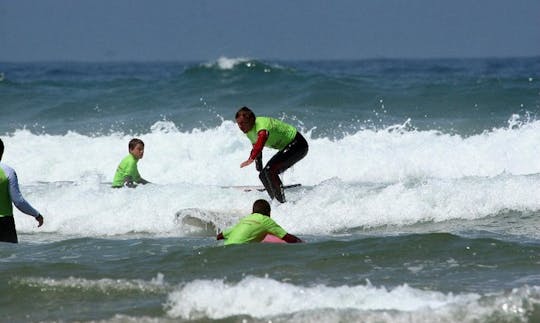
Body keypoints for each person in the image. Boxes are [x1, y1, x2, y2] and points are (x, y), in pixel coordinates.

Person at [236, 106, 308, 203]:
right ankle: (275, 201)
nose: (240, 127)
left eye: (242, 123)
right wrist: (259, 164)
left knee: (270, 171)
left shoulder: (262, 126)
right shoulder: (249, 132)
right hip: (288, 147)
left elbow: (261, 141)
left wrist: (251, 158)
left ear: (251, 120)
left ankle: (282, 203)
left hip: (298, 144)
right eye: (238, 124)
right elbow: (256, 146)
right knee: (263, 175)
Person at [0, 138, 44, 243]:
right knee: (7, 257)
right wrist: (36, 215)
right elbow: (18, 201)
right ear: (1, 152)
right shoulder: (8, 171)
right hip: (4, 223)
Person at [217, 199, 302, 245]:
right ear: (268, 213)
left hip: (227, 247)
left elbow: (220, 236)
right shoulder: (265, 220)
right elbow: (286, 237)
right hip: (240, 251)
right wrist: (302, 243)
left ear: (253, 212)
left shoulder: (245, 219)